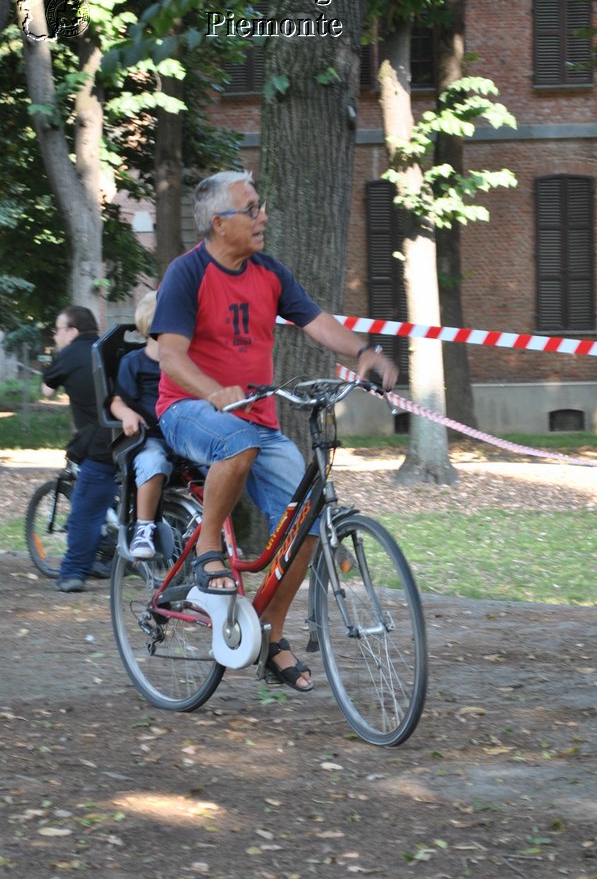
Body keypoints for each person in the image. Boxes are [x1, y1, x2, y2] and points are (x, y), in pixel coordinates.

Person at [151, 170, 398, 692]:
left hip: (257, 419)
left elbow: (314, 319)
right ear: (219, 223)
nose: (263, 217)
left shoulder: (268, 272)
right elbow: (170, 355)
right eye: (253, 209)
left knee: (308, 517)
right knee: (233, 441)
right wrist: (213, 390)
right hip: (189, 411)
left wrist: (363, 352)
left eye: (261, 207)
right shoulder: (186, 273)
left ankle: (272, 633)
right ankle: (206, 551)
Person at [41, 306, 118, 593]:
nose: (55, 335)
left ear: (72, 331)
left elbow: (47, 390)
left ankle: (73, 573)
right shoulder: (110, 346)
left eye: (58, 330)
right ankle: (107, 556)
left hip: (100, 445)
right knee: (109, 499)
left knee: (83, 513)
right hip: (133, 436)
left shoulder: (70, 354)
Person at [108, 291, 173, 560]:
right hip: (150, 437)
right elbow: (116, 401)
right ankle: (144, 527)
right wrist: (126, 415)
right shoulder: (132, 363)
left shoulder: (186, 362)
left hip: (186, 433)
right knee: (152, 462)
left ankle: (215, 535)